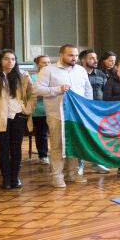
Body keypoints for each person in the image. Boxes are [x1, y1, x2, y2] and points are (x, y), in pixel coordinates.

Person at [34, 44, 92, 188]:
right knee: (57, 146)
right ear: (61, 55)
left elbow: (87, 90)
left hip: (76, 115)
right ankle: (57, 176)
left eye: (76, 55)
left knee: (74, 144)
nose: (74, 58)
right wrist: (57, 89)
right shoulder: (48, 70)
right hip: (56, 114)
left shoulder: (80, 70)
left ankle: (72, 173)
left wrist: (87, 109)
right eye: (71, 55)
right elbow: (37, 90)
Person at [0, 49, 35, 190]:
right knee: (3, 148)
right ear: (0, 60)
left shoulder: (23, 75)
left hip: (18, 115)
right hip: (0, 116)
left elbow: (32, 94)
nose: (10, 62)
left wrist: (27, 109)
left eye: (13, 59)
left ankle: (15, 177)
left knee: (16, 148)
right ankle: (6, 178)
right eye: (6, 59)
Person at [76, 49, 111, 175]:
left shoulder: (101, 74)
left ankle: (97, 163)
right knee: (81, 138)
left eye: (95, 58)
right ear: (83, 60)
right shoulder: (77, 73)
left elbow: (106, 92)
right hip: (82, 111)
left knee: (97, 138)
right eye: (91, 58)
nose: (95, 61)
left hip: (98, 111)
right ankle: (79, 165)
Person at [30, 55, 51, 164]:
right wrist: (51, 92)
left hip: (53, 109)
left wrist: (47, 93)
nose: (47, 64)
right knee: (41, 134)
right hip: (38, 111)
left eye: (48, 62)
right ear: (38, 64)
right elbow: (33, 95)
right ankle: (43, 155)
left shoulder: (54, 76)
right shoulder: (33, 77)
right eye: (44, 62)